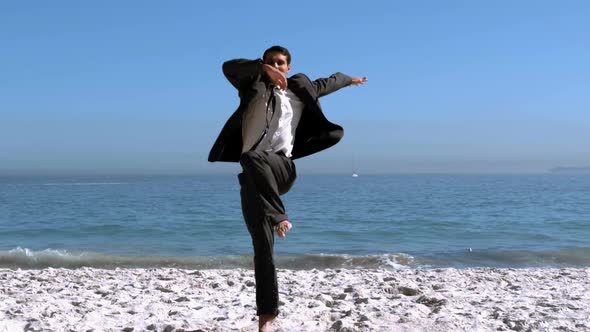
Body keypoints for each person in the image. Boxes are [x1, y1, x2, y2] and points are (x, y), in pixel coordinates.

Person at [208, 45, 367, 331]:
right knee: (262, 247)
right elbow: (228, 66)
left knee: (252, 157)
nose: (276, 66)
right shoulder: (252, 85)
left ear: (289, 67)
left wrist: (350, 79)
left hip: (282, 168)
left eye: (281, 63)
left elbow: (331, 81)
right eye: (271, 62)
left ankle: (280, 216)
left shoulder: (300, 87)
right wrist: (262, 68)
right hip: (255, 179)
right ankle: (266, 320)